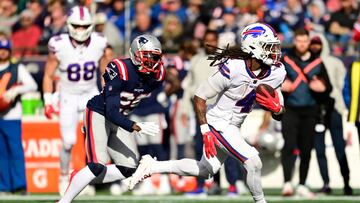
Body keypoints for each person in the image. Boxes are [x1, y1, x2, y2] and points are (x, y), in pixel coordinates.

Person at [129, 23, 287, 203]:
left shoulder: (277, 72)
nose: (274, 51)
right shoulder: (234, 68)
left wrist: (278, 109)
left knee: (206, 170)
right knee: (253, 162)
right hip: (218, 122)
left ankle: (152, 166)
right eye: (268, 46)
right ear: (253, 46)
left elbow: (279, 111)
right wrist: (205, 130)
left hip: (234, 125)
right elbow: (200, 96)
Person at [58, 34, 166, 203]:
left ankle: (80, 177)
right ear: (136, 54)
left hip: (121, 116)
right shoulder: (120, 69)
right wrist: (135, 125)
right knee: (97, 164)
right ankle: (64, 201)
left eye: (154, 57)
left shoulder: (158, 75)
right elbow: (111, 111)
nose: (151, 61)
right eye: (147, 56)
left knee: (129, 167)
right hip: (100, 113)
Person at [42, 5, 113, 196]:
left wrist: (109, 93)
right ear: (69, 25)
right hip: (67, 95)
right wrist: (48, 99)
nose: (81, 30)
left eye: (84, 26)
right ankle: (64, 176)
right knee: (68, 141)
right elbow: (48, 75)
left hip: (90, 93)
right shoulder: (59, 43)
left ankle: (86, 177)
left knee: (94, 139)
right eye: (77, 26)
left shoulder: (99, 42)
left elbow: (106, 72)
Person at [280, 28, 332, 197]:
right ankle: (287, 183)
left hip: (310, 111)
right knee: (288, 145)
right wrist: (280, 86)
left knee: (306, 149)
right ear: (295, 41)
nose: (302, 44)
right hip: (290, 110)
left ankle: (302, 184)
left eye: (305, 41)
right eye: (299, 41)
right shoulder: (286, 59)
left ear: (309, 42)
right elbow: (270, 83)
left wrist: (322, 88)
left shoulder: (317, 62)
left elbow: (327, 88)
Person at [309, 35, 352, 195]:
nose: (315, 46)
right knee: (319, 149)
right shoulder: (307, 64)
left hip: (333, 109)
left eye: (317, 43)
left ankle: (346, 182)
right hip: (316, 110)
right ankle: (326, 183)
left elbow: (341, 85)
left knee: (339, 148)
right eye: (312, 43)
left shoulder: (335, 62)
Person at [0, 38, 38, 194]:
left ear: (9, 51)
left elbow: (32, 84)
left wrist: (15, 91)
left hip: (12, 115)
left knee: (15, 151)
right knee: (1, 153)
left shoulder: (17, 68)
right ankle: (3, 186)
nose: (2, 52)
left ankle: (20, 185)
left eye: (5, 49)